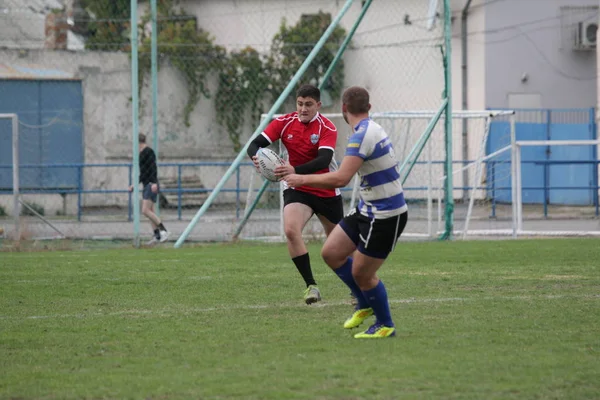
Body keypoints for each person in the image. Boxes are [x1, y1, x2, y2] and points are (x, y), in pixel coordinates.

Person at [284, 86, 408, 338]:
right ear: (369, 108)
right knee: (331, 252)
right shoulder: (368, 129)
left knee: (362, 272)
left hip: (386, 214)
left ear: (343, 109)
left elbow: (341, 178)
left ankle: (385, 325)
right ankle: (364, 303)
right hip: (367, 209)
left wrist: (300, 179)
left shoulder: (363, 135)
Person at [247, 84, 344, 305]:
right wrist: (256, 157)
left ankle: (357, 285)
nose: (303, 109)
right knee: (291, 230)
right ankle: (311, 286)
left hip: (324, 187)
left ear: (318, 105)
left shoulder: (327, 127)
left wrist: (295, 170)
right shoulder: (283, 122)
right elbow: (254, 145)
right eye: (300, 104)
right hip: (296, 188)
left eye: (308, 104)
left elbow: (323, 159)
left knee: (339, 245)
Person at [129, 133, 170, 245]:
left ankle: (164, 230)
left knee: (145, 210)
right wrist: (135, 185)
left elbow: (153, 169)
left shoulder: (149, 152)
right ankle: (157, 236)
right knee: (150, 211)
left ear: (138, 143)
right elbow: (143, 173)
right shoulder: (141, 154)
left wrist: (154, 183)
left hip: (151, 184)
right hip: (147, 184)